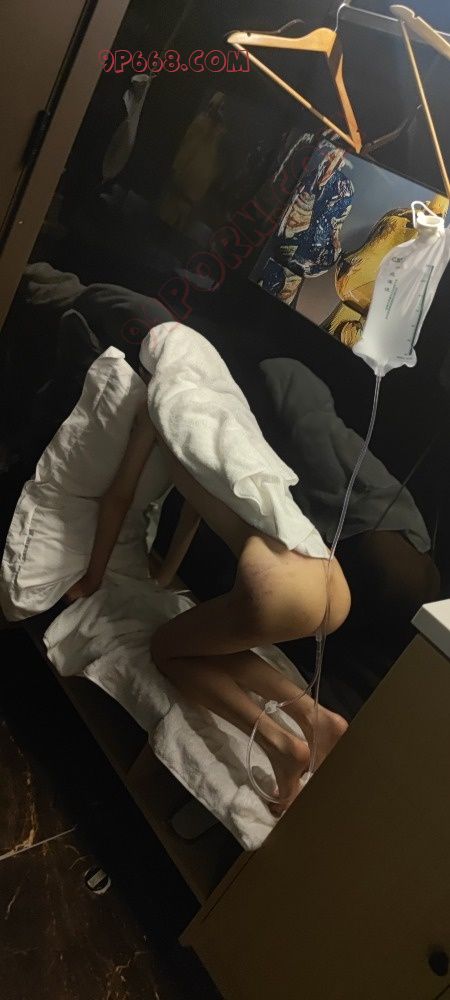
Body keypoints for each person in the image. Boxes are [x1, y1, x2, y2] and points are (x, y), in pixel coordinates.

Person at [67, 335, 351, 815]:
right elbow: (197, 506)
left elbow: (118, 498)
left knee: (167, 650)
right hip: (329, 578)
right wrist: (167, 574)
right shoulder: (227, 412)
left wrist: (92, 579)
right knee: (207, 643)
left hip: (280, 582)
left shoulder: (162, 400)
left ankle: (282, 747)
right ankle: (315, 718)